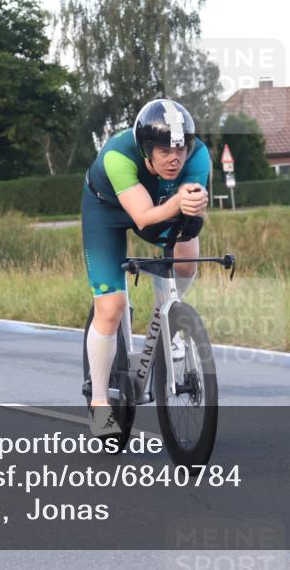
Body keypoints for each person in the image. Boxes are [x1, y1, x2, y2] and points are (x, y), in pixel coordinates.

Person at [82, 98, 210, 436]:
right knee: (111, 308)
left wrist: (197, 207)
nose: (175, 159)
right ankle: (99, 404)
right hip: (106, 211)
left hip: (159, 205)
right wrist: (179, 203)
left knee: (184, 262)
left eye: (181, 150)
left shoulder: (199, 156)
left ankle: (167, 321)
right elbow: (142, 218)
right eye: (165, 151)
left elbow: (189, 217)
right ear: (146, 150)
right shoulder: (117, 156)